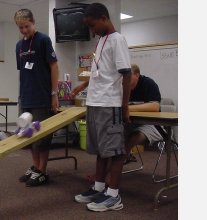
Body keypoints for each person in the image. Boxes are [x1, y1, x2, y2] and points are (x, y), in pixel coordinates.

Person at [70, 3, 132, 212]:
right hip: (95, 102)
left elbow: (126, 73)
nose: (91, 29)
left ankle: (113, 195)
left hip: (110, 104)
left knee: (113, 152)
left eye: (92, 25)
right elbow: (101, 72)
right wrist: (84, 85)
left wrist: (124, 106)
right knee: (100, 150)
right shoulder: (100, 41)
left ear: (104, 18)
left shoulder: (117, 40)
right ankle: (99, 188)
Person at [84, 63, 163, 187]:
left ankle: (107, 175)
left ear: (136, 75)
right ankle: (102, 174)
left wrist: (127, 108)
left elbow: (155, 106)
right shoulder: (121, 87)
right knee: (111, 137)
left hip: (153, 125)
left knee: (130, 140)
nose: (123, 79)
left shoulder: (148, 84)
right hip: (131, 122)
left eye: (127, 76)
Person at [14, 9, 59, 187]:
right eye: (20, 27)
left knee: (42, 135)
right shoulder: (19, 46)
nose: (24, 30)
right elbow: (23, 71)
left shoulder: (43, 40)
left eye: (26, 26)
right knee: (29, 134)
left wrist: (53, 94)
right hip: (27, 96)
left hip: (42, 96)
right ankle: (34, 166)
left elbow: (54, 67)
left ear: (33, 22)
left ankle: (42, 171)